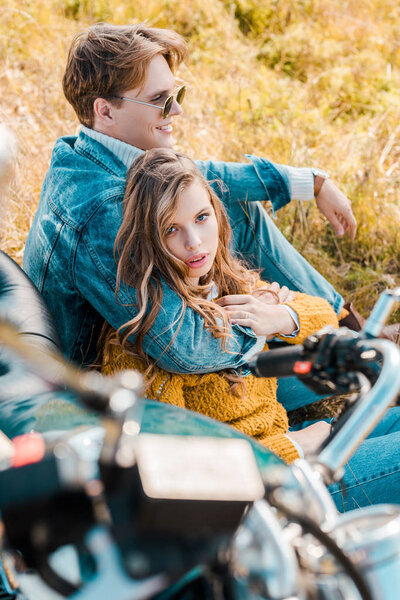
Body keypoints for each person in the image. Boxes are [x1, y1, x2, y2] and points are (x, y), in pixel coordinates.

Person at [22, 23, 397, 412]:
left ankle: (355, 333)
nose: (177, 109)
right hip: (121, 387)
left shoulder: (92, 151)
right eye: (160, 100)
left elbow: (210, 179)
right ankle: (368, 354)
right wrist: (268, 319)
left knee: (228, 204)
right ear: (105, 110)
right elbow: (184, 347)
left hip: (163, 349)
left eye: (176, 94)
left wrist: (312, 183)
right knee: (355, 363)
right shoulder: (102, 209)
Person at [101, 147, 400, 512]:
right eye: (171, 229)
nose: (194, 242)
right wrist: (297, 445)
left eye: (201, 217)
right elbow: (180, 473)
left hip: (284, 447)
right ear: (148, 238)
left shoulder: (222, 281)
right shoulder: (144, 337)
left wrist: (281, 317)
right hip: (261, 498)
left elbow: (322, 316)